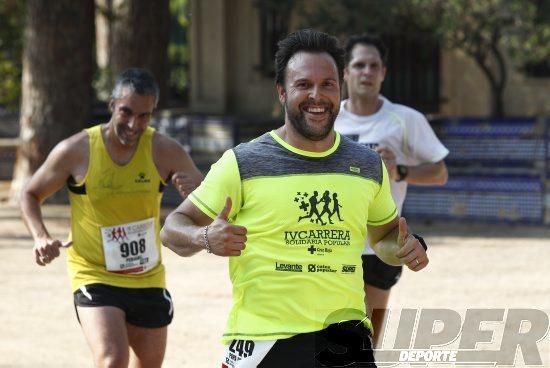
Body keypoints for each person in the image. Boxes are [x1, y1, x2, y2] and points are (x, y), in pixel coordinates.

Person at [160, 29, 429, 367]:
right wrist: (203, 237)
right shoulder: (243, 163)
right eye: (304, 85)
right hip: (263, 342)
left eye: (328, 84)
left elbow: (384, 237)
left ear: (340, 88)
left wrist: (405, 248)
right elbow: (172, 229)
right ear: (282, 92)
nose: (317, 95)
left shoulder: (366, 164)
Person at [20, 68, 203, 367]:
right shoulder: (76, 150)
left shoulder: (165, 151)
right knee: (111, 359)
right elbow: (29, 193)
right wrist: (40, 236)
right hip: (93, 273)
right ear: (111, 105)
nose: (134, 124)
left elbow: (209, 206)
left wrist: (194, 194)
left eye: (144, 116)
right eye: (126, 112)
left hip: (146, 276)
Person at [334, 34, 449, 346]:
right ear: (345, 72)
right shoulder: (327, 120)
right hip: (330, 241)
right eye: (359, 65)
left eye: (374, 66)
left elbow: (440, 173)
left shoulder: (404, 119)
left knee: (365, 341)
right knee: (323, 338)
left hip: (380, 245)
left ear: (384, 72)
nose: (367, 72)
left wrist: (399, 170)